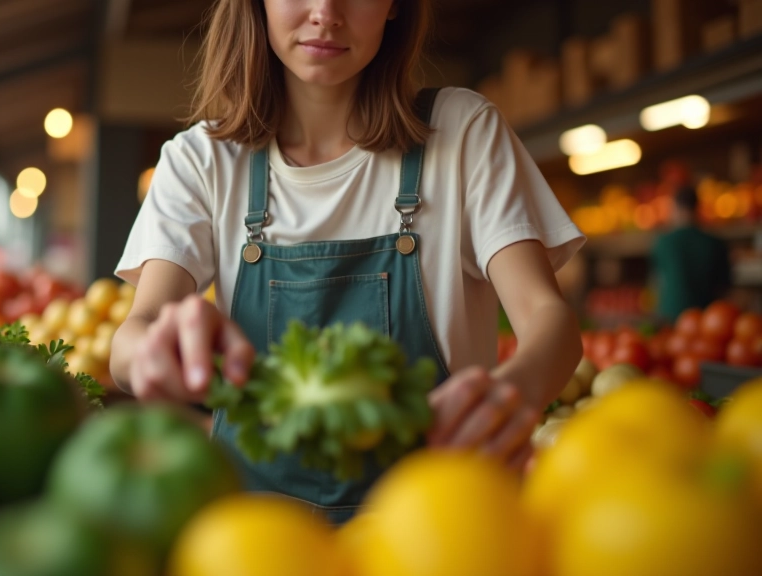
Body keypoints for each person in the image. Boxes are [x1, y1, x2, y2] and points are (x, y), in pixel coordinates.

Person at [110, 0, 585, 525]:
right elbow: (138, 330)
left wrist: (515, 391)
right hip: (258, 538)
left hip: (434, 530)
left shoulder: (462, 131)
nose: (326, 11)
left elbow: (549, 318)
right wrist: (154, 352)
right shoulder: (200, 160)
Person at [652, 185, 732, 322]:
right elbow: (725, 287)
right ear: (697, 207)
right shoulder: (715, 243)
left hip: (671, 317)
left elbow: (657, 282)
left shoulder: (663, 242)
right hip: (707, 318)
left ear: (676, 208)